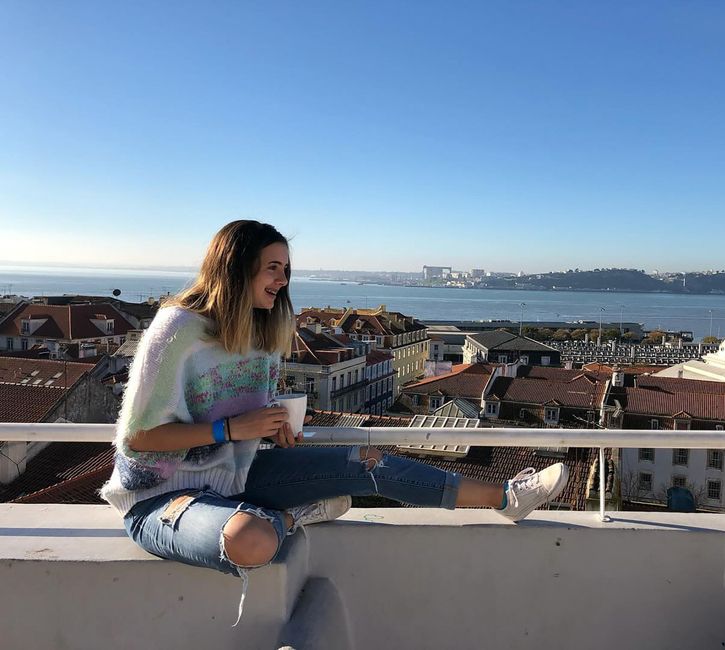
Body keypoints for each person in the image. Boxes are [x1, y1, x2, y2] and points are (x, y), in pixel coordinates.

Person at [101, 220, 568, 624]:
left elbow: (246, 420)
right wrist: (231, 430)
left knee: (368, 462)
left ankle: (506, 496)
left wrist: (273, 427)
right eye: (273, 268)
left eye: (286, 270)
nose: (283, 281)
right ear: (235, 266)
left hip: (237, 477)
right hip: (158, 496)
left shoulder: (263, 333)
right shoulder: (177, 328)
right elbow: (138, 437)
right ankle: (290, 516)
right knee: (254, 540)